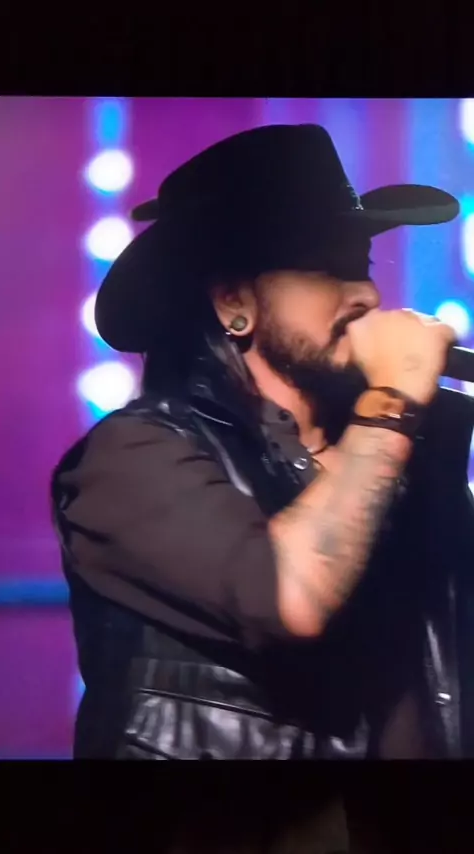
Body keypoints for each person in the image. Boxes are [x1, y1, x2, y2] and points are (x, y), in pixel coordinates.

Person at [52, 125, 474, 770]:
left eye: (361, 267)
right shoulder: (130, 458)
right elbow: (291, 596)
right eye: (327, 267)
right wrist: (393, 398)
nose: (366, 295)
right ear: (234, 303)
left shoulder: (409, 456)